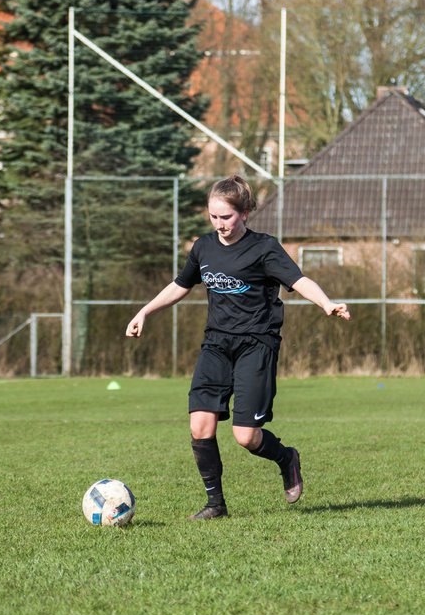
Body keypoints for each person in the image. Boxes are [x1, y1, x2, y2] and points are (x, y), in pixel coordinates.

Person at [126, 175, 350, 519]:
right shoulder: (204, 247)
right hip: (215, 344)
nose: (220, 225)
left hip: (256, 345)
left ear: (244, 213)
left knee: (245, 436)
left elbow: (298, 280)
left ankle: (286, 457)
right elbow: (180, 285)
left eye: (226, 217)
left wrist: (325, 303)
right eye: (214, 217)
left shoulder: (264, 248)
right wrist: (145, 311)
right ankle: (215, 505)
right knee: (200, 425)